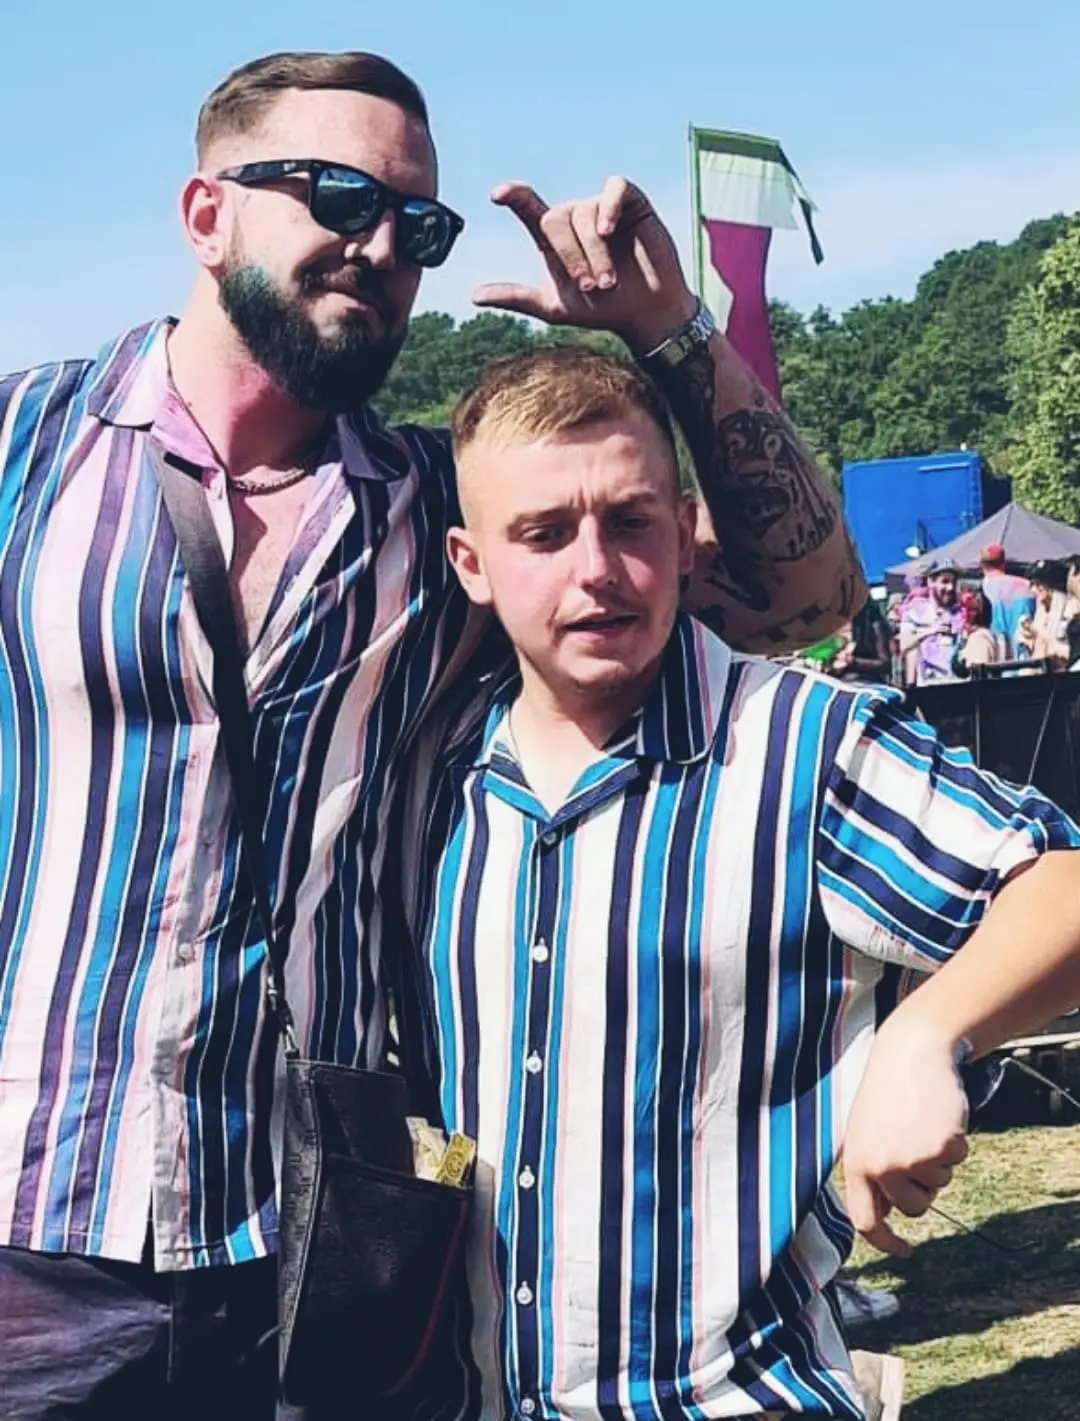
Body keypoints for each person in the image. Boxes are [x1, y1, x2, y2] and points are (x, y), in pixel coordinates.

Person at [0, 49, 860, 1420]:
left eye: (420, 223)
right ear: (203, 211)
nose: (383, 244)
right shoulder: (23, 449)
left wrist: (672, 334)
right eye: (336, 194)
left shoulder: (429, 512)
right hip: (33, 1223)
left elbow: (801, 600)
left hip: (318, 1230)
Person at [398, 348, 1080, 1421]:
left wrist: (925, 1033)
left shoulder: (803, 747)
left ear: (683, 529)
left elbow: (1062, 885)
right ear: (471, 560)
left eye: (628, 521)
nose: (597, 568)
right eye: (543, 533)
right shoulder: (427, 782)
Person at [898, 561, 965, 685]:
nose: (950, 587)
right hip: (928, 686)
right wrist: (929, 631)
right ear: (931, 582)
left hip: (958, 683)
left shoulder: (961, 613)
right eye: (945, 582)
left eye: (953, 582)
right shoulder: (914, 612)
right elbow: (902, 646)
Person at [979, 542, 1036, 660]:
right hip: (1027, 657)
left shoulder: (982, 589)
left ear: (982, 565)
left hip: (998, 659)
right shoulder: (1026, 585)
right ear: (1003, 563)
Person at [828, 595, 893, 684]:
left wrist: (852, 661)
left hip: (864, 681)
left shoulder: (875, 625)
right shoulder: (833, 626)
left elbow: (885, 664)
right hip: (835, 680)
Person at [1020, 559, 1073, 665]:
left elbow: (1070, 654)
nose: (1034, 590)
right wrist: (1030, 638)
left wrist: (1044, 636)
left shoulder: (1070, 615)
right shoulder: (1040, 612)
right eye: (1033, 585)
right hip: (1041, 676)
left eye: (1039, 585)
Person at [954, 588, 999, 673]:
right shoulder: (971, 636)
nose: (961, 613)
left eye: (964, 609)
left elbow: (980, 676)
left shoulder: (978, 638)